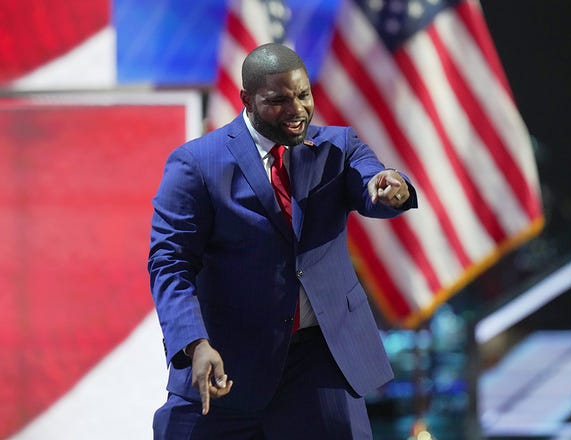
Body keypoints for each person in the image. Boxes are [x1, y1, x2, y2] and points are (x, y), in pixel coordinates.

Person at [148, 42, 418, 439]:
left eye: (303, 95)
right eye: (278, 100)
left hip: (320, 363)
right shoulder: (196, 164)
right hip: (227, 363)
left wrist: (389, 187)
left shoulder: (336, 148)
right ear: (247, 99)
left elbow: (370, 183)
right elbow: (169, 262)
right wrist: (194, 344)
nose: (296, 110)